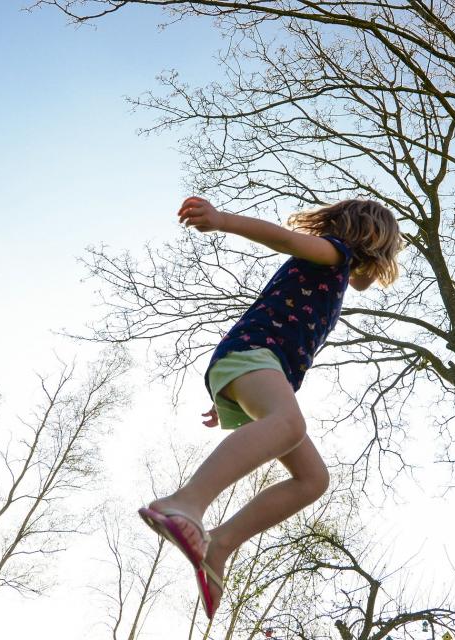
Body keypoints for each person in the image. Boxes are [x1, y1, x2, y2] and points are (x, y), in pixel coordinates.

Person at [138, 196, 404, 619]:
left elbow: (361, 283)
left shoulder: (336, 270)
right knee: (288, 424)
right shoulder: (335, 251)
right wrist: (221, 219)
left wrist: (230, 395)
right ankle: (185, 502)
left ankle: (219, 545)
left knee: (313, 479)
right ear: (372, 241)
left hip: (255, 367)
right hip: (254, 356)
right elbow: (282, 237)